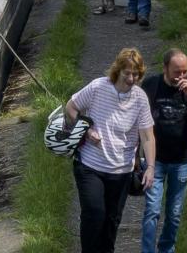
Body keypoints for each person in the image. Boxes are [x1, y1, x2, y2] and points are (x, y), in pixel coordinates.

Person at [63, 48, 157, 253]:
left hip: (121, 171)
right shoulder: (98, 87)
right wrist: (86, 130)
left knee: (111, 221)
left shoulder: (140, 99)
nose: (132, 79)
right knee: (94, 213)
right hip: (90, 166)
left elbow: (148, 136)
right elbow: (71, 108)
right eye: (128, 73)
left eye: (136, 74)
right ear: (118, 71)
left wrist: (149, 167)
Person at [141, 48, 187, 253]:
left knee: (174, 213)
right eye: (176, 72)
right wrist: (137, 157)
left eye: (185, 72)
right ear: (165, 68)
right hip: (155, 159)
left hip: (181, 161)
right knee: (152, 211)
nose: (181, 76)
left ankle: (166, 249)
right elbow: (139, 122)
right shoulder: (151, 85)